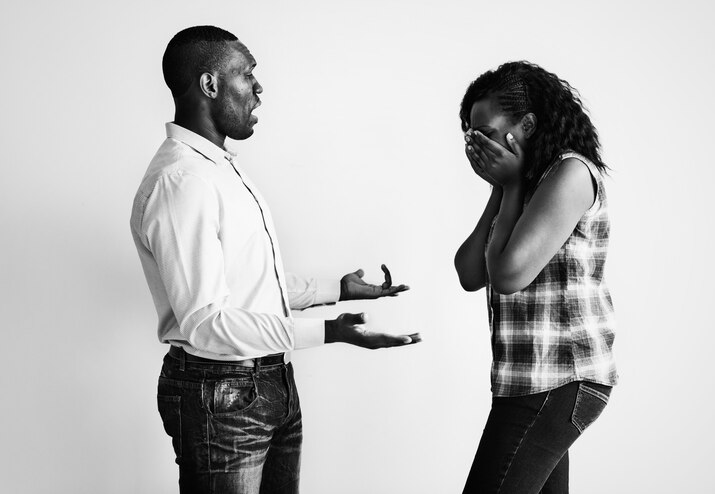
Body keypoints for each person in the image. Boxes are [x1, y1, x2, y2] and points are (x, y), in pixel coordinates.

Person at [130, 25, 420, 494]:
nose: (258, 89)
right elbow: (207, 322)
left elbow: (248, 282)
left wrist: (337, 290)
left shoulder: (218, 169)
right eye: (246, 75)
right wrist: (329, 331)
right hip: (219, 393)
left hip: (269, 382)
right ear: (210, 85)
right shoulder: (183, 182)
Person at [454, 61, 618, 493]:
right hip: (527, 379)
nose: (477, 146)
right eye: (470, 136)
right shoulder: (523, 185)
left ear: (526, 124)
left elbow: (506, 275)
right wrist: (502, 187)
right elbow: (471, 272)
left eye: (485, 133)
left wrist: (510, 187)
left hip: (559, 378)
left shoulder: (570, 173)